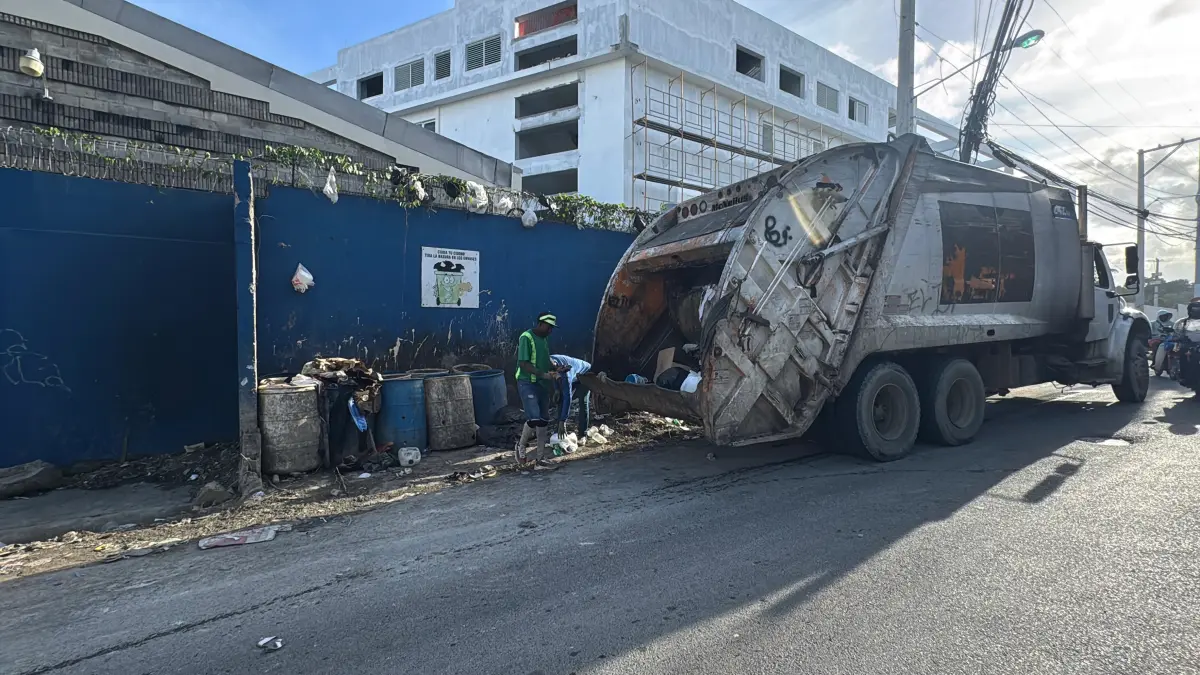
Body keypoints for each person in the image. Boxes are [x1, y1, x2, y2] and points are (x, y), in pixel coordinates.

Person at [514, 312, 559, 467]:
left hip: (542, 384)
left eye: (552, 328)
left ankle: (540, 459)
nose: (550, 331)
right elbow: (524, 364)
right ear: (540, 324)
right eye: (548, 327)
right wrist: (544, 374)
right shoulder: (526, 337)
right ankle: (521, 447)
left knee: (544, 420)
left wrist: (557, 367)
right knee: (534, 418)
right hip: (527, 382)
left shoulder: (544, 339)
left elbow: (546, 359)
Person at [550, 354, 592, 442]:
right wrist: (557, 390)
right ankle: (559, 430)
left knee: (583, 401)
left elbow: (567, 398)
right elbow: (552, 375)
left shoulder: (565, 374)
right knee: (560, 399)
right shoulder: (547, 362)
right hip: (574, 375)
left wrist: (563, 421)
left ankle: (582, 434)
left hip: (585, 374)